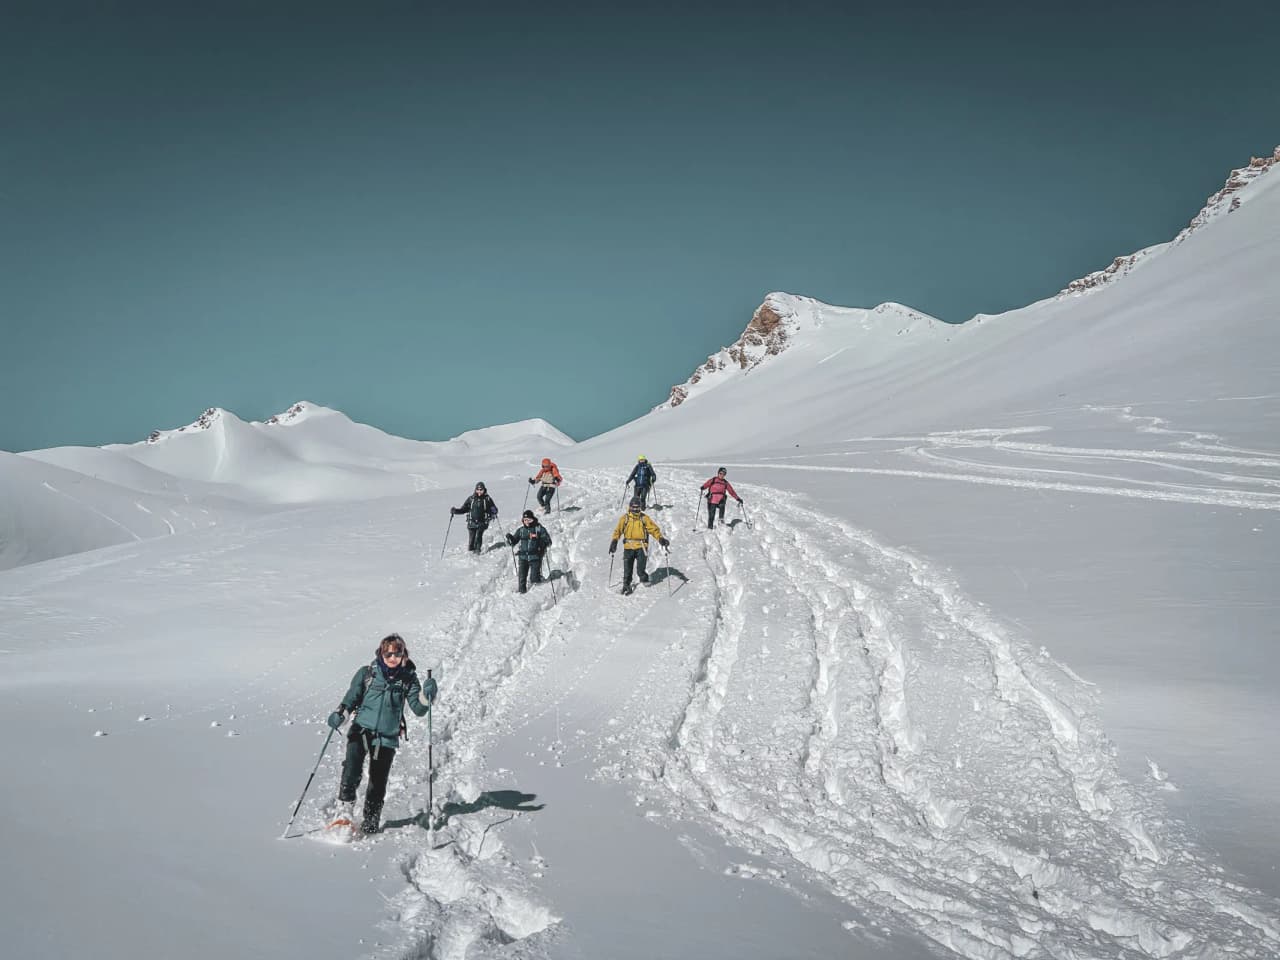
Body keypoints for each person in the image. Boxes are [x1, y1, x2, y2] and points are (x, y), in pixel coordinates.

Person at [327, 633, 437, 835]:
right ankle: (344, 811)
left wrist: (427, 696)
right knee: (351, 768)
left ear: (404, 654)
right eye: (388, 654)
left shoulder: (408, 679)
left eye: (397, 653)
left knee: (378, 781)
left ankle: (371, 820)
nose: (392, 658)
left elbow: (419, 709)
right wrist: (339, 715)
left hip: (387, 737)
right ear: (381, 654)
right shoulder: (367, 673)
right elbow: (351, 698)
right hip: (361, 729)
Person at [608, 496, 669, 595]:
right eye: (633, 507)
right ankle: (626, 584)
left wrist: (660, 539)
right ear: (630, 507)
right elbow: (618, 531)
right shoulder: (625, 518)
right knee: (627, 567)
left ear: (640, 507)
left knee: (641, 568)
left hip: (641, 546)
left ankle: (643, 578)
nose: (635, 509)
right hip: (629, 546)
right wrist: (614, 541)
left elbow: (653, 529)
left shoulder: (644, 518)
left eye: (637, 507)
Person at [506, 509, 553, 593]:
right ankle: (521, 593)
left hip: (535, 557)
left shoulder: (539, 529)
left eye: (529, 520)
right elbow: (514, 541)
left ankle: (536, 593)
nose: (527, 522)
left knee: (534, 578)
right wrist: (510, 539)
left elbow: (548, 541)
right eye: (525, 520)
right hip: (523, 557)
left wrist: (541, 543)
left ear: (533, 519)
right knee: (522, 578)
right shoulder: (521, 530)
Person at [450, 482, 498, 553]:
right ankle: (471, 551)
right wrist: (456, 511)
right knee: (471, 539)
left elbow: (493, 509)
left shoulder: (487, 499)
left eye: (481, 490)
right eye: (478, 490)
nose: (479, 491)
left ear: (484, 490)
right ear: (475, 490)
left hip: (482, 522)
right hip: (471, 522)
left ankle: (477, 551)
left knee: (478, 536)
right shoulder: (471, 499)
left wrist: (494, 511)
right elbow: (464, 509)